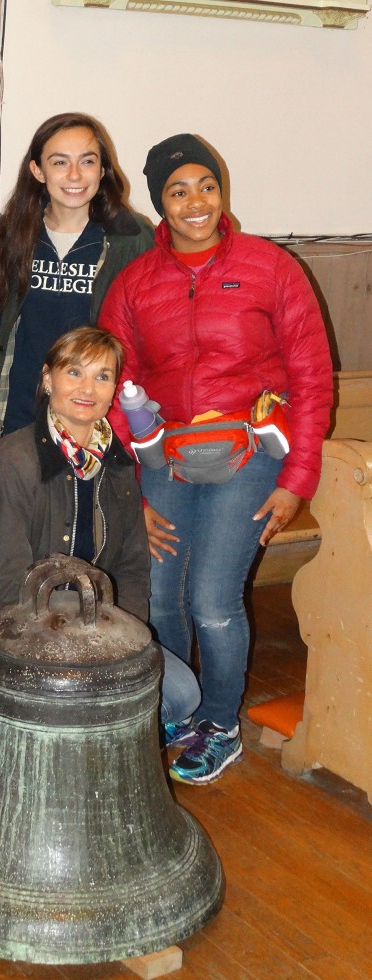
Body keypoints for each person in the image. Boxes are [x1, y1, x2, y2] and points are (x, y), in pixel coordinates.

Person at [100, 133, 333, 785]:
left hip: (248, 456)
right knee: (160, 597)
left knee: (211, 599)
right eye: (178, 191)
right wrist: (134, 477)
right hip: (165, 459)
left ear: (221, 191)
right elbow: (114, 381)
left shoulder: (270, 267)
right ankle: (177, 712)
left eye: (206, 185)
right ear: (160, 203)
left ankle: (220, 723)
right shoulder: (134, 282)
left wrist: (296, 481)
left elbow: (311, 378)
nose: (196, 201)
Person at [0, 326, 200, 728]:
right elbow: (1, 585)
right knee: (88, 708)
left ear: (114, 389)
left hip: (93, 630)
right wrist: (72, 651)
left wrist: (119, 642)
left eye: (102, 376)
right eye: (74, 372)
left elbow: (133, 568)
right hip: (18, 638)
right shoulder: (12, 463)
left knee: (182, 694)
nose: (88, 388)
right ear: (48, 379)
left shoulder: (116, 464)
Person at [0, 112, 154, 440]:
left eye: (87, 161)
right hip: (21, 412)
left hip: (95, 416)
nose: (75, 175)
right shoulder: (14, 233)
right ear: (38, 170)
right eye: (60, 162)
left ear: (103, 170)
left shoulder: (131, 238)